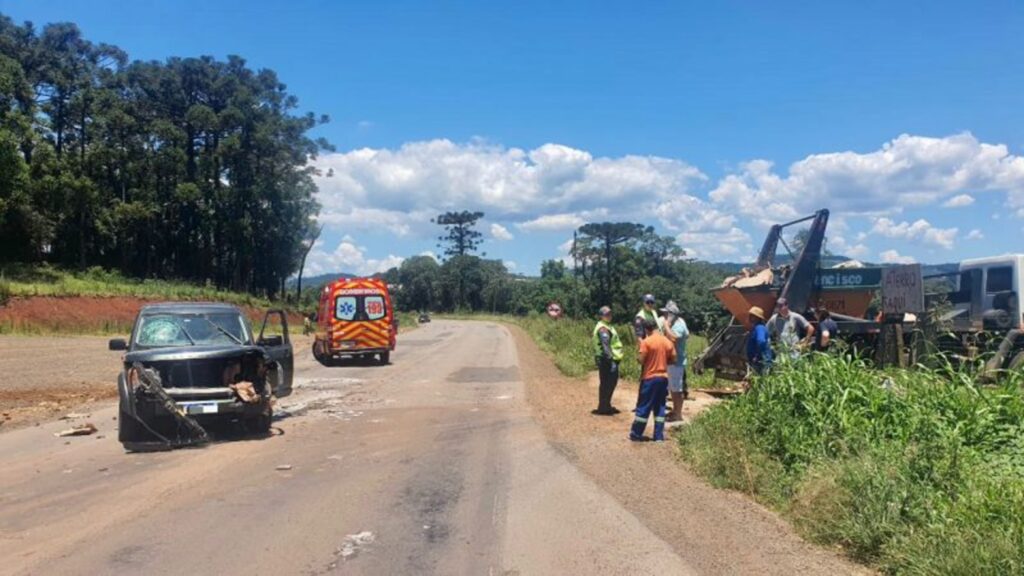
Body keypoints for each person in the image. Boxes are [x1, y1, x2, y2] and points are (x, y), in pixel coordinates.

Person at [630, 318, 676, 442]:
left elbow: (642, 360)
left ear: (646, 329)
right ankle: (658, 436)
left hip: (649, 378)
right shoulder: (667, 342)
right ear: (655, 327)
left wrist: (639, 359)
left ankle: (636, 434)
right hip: (663, 379)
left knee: (644, 406)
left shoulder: (646, 342)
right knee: (660, 407)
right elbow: (674, 359)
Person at [592, 306, 624, 415]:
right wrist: (611, 362)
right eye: (606, 314)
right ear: (601, 316)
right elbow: (606, 347)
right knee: (608, 384)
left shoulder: (607, 326)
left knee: (607, 383)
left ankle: (605, 405)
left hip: (608, 359)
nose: (609, 316)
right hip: (607, 360)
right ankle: (604, 407)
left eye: (610, 313)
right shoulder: (603, 328)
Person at [660, 300, 689, 422]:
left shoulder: (678, 325)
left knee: (676, 389)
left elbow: (674, 338)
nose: (665, 316)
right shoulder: (680, 321)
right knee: (673, 388)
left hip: (676, 362)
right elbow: (688, 335)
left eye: (667, 314)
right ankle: (675, 411)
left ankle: (678, 414)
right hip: (674, 361)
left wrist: (666, 326)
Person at [746, 306, 773, 375]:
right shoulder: (758, 328)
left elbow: (761, 342)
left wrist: (757, 356)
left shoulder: (759, 328)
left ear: (757, 318)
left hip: (761, 362)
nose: (749, 317)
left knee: (761, 382)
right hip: (760, 361)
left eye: (752, 315)